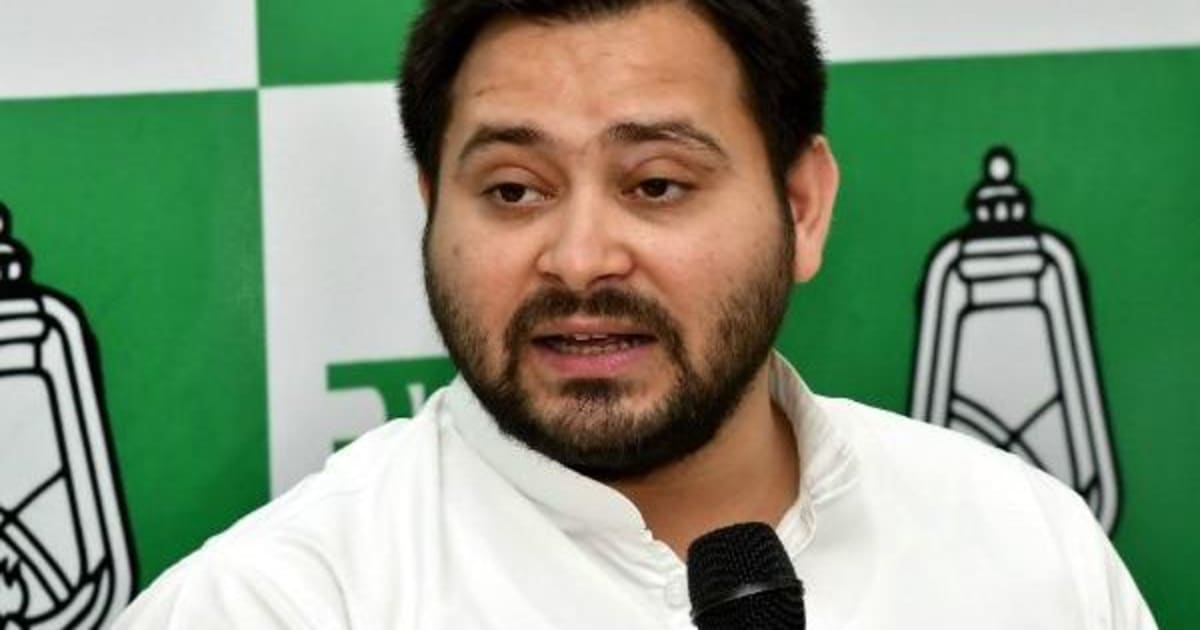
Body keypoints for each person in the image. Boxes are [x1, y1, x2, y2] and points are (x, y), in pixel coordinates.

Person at [116, 0, 1157, 627]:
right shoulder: (274, 606)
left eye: (656, 184)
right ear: (431, 209)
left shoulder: (1025, 549)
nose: (579, 259)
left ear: (801, 207)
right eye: (513, 190)